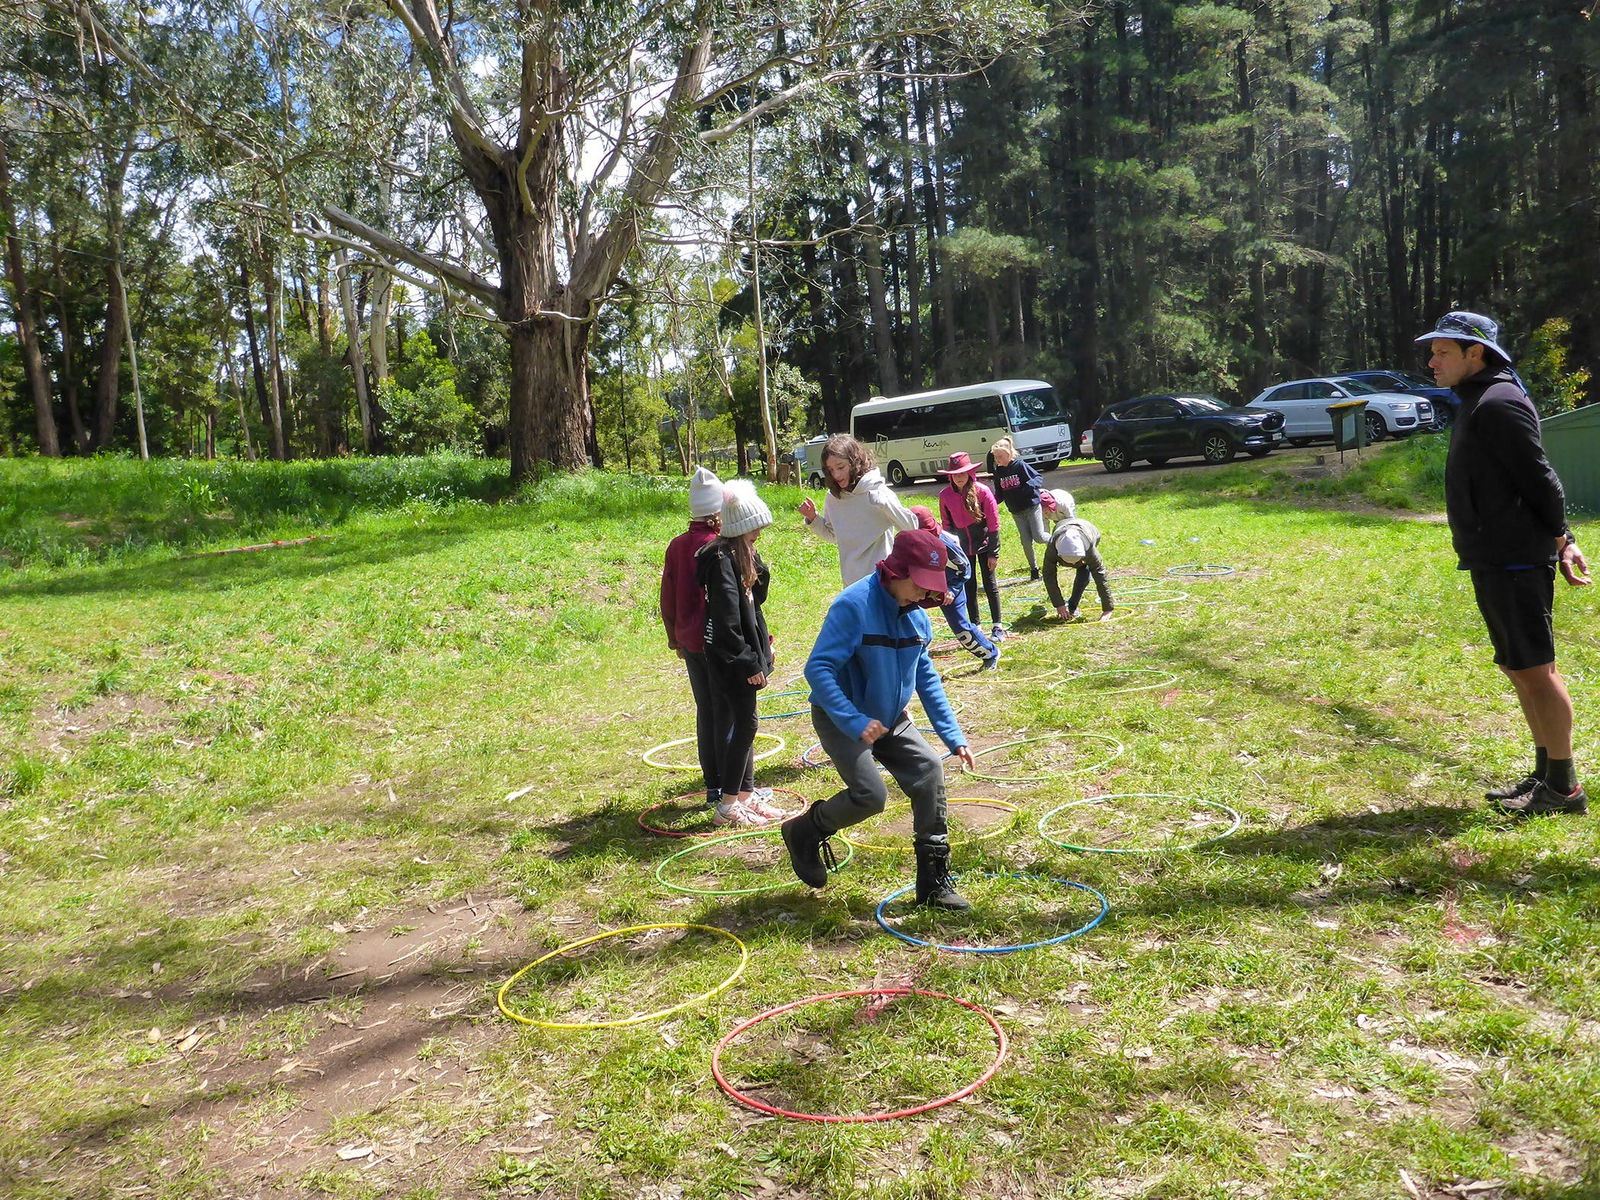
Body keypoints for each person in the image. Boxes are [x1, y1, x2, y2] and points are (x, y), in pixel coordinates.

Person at [1417, 311, 1590, 816]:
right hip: (1493, 556)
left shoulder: (1499, 402)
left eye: (1442, 352)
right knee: (1519, 668)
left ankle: (1564, 788)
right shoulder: (1478, 399)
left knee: (1536, 670)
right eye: (1433, 352)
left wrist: (1563, 539)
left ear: (1475, 353)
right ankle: (1546, 774)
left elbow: (1541, 478)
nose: (1432, 361)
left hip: (1515, 557)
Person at [782, 528, 978, 908]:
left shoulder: (917, 618)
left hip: (890, 719)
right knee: (871, 796)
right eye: (918, 584)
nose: (923, 594)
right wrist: (854, 721)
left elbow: (927, 679)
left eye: (930, 586)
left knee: (929, 771)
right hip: (843, 717)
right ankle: (805, 830)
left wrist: (953, 736)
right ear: (896, 570)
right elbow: (818, 669)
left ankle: (933, 885)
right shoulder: (854, 605)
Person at [696, 480, 786, 826]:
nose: (760, 534)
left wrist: (763, 648)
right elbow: (727, 620)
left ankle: (745, 797)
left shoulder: (738, 555)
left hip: (742, 652)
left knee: (747, 723)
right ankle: (727, 805)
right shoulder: (721, 561)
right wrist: (749, 661)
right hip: (730, 658)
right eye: (755, 529)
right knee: (745, 725)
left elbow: (755, 602)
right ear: (741, 528)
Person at [660, 466, 735, 809]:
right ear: (719, 512)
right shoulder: (720, 547)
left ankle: (712, 785)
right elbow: (732, 603)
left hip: (690, 640)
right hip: (719, 642)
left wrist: (674, 637)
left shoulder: (677, 545)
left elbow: (667, 595)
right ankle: (731, 786)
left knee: (706, 710)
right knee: (728, 711)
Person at [798, 434, 920, 586]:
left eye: (841, 467)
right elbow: (833, 535)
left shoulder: (877, 490)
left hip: (881, 581)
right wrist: (813, 519)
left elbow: (911, 527)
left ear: (854, 462)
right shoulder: (833, 497)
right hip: (852, 584)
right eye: (830, 470)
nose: (836, 475)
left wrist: (886, 505)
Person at [909, 505, 1000, 672]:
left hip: (949, 587)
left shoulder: (944, 543)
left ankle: (990, 653)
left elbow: (964, 568)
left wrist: (951, 588)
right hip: (925, 586)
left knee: (960, 627)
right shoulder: (909, 540)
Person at [936, 451, 1005, 641]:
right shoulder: (945, 496)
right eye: (955, 474)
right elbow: (947, 526)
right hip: (962, 548)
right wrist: (951, 553)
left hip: (984, 544)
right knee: (969, 584)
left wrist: (994, 553)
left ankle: (997, 625)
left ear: (970, 472)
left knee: (990, 583)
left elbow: (994, 524)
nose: (959, 477)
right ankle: (976, 625)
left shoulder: (983, 491)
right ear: (950, 476)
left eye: (962, 473)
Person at [1040, 488, 1115, 621]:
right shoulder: (1052, 548)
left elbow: (1100, 575)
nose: (1073, 564)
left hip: (1088, 530)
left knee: (1084, 570)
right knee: (1077, 568)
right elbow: (1048, 575)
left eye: (1076, 561)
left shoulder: (1089, 549)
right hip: (1061, 528)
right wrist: (1059, 604)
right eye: (1070, 562)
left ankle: (1073, 605)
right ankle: (1068, 606)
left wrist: (1107, 609)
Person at [990, 437, 1049, 581]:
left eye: (1000, 456)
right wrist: (990, 504)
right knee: (1026, 542)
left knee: (1039, 537)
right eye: (995, 457)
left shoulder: (1019, 465)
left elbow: (1037, 478)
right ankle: (1034, 569)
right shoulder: (998, 471)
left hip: (1031, 507)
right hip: (1016, 511)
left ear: (1008, 454)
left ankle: (1058, 542)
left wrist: (1029, 487)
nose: (997, 460)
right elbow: (999, 493)